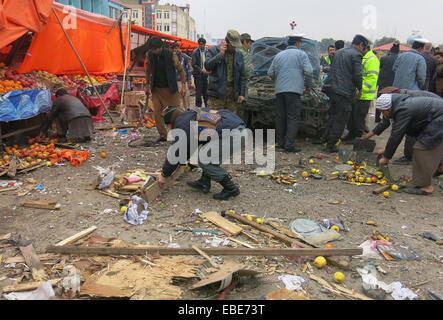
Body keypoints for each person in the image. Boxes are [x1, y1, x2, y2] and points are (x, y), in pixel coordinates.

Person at [156, 107, 246, 201]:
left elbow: (176, 152)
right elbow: (188, 149)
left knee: (204, 160)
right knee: (207, 152)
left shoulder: (183, 126)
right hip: (238, 129)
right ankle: (204, 182)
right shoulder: (191, 115)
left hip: (234, 134)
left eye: (167, 125)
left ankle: (230, 188)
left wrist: (164, 174)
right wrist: (177, 166)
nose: (168, 129)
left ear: (170, 123)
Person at [371, 94, 443, 196]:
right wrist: (387, 149)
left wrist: (387, 157)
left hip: (439, 120)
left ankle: (425, 187)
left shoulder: (403, 110)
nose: (383, 114)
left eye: (384, 111)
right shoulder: (401, 103)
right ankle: (441, 167)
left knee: (421, 149)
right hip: (437, 117)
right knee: (437, 144)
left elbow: (397, 134)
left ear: (390, 107)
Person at [322, 34, 367, 153]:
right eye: (364, 48)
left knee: (332, 116)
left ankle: (326, 140)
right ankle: (331, 145)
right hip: (344, 91)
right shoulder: (356, 54)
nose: (363, 50)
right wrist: (360, 89)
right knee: (341, 119)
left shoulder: (339, 52)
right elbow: (358, 74)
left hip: (331, 88)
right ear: (361, 45)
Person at [268, 34, 313, 153]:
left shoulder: (278, 55)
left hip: (279, 91)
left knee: (280, 117)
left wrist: (279, 80)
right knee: (293, 117)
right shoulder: (301, 54)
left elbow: (270, 73)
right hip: (294, 92)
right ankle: (289, 145)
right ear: (298, 43)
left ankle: (281, 143)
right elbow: (308, 71)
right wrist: (308, 85)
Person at [145, 36, 187, 142]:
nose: (153, 51)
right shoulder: (149, 55)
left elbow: (181, 70)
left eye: (155, 49)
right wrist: (146, 85)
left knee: (177, 112)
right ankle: (163, 135)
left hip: (170, 88)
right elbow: (148, 71)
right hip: (156, 89)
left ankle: (180, 133)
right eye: (152, 49)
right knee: (157, 113)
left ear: (160, 47)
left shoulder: (170, 55)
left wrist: (183, 86)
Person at [205, 30, 247, 122]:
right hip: (216, 94)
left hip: (232, 95)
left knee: (230, 122)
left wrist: (241, 93)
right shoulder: (213, 50)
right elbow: (207, 66)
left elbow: (242, 76)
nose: (234, 47)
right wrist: (220, 55)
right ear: (226, 42)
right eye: (233, 45)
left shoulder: (239, 54)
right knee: (213, 121)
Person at [343, 44, 380, 144]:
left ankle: (358, 138)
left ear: (365, 47)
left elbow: (372, 78)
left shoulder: (372, 59)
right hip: (357, 94)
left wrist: (361, 89)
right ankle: (351, 134)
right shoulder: (362, 57)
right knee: (352, 117)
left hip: (364, 95)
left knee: (359, 118)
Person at [376, 43, 400, 122]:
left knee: (380, 98)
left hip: (383, 82)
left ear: (390, 51)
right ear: (398, 52)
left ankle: (377, 116)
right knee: (391, 101)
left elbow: (380, 67)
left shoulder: (384, 59)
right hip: (393, 83)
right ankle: (387, 117)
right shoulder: (399, 59)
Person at [172, 42, 192, 109]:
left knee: (186, 96)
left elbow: (188, 68)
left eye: (177, 48)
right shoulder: (171, 58)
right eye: (175, 48)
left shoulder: (185, 56)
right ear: (173, 49)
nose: (176, 49)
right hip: (175, 80)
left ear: (179, 48)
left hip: (184, 80)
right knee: (179, 97)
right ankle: (180, 111)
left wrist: (189, 79)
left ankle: (187, 110)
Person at [191, 38, 210, 108]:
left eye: (202, 44)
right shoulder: (195, 52)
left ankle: (207, 108)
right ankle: (198, 109)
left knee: (206, 93)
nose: (201, 46)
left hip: (206, 76)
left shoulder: (207, 51)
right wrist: (201, 70)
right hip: (198, 76)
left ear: (205, 44)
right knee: (198, 93)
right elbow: (194, 64)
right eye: (200, 44)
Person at [240, 33, 255, 100]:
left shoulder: (236, 50)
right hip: (242, 86)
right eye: (250, 43)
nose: (250, 45)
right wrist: (251, 68)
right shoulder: (244, 53)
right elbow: (247, 72)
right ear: (245, 42)